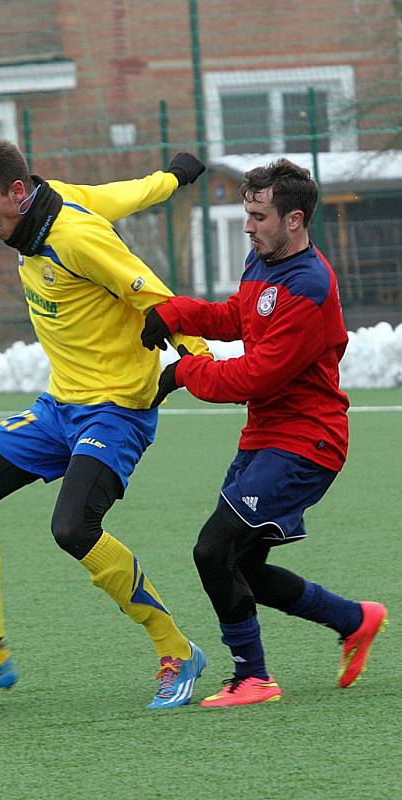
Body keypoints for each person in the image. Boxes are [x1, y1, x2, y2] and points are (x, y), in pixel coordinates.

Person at [0, 138, 211, 709]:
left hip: (116, 410)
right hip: (59, 407)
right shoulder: (47, 208)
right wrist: (173, 179)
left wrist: (199, 362)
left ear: (17, 191)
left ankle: (177, 648)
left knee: (73, 528)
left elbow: (158, 297)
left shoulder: (77, 237)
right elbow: (124, 194)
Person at [141, 158, 388, 709]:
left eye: (257, 215)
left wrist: (184, 372)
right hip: (266, 436)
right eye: (247, 214)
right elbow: (238, 318)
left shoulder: (309, 285)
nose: (248, 226)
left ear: (294, 219)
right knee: (241, 564)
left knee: (212, 550)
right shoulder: (263, 261)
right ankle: (355, 619)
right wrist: (176, 313)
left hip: (308, 441)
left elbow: (258, 374)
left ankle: (252, 677)